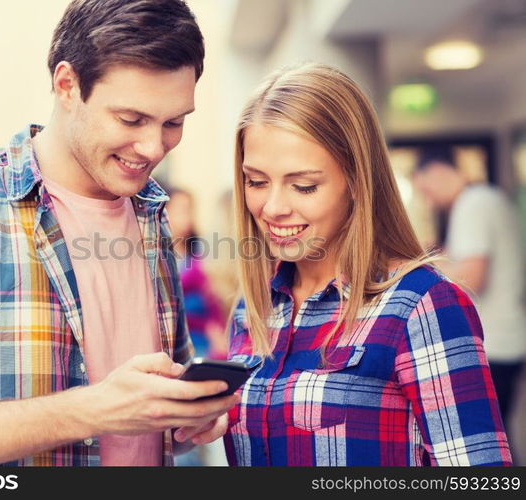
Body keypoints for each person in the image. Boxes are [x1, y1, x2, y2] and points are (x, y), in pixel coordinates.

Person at [0, 0, 238, 467]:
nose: (153, 147)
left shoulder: (152, 212)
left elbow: (148, 422)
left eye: (174, 122)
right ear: (67, 85)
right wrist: (92, 411)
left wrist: (182, 421)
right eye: (131, 119)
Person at [223, 63, 512, 466]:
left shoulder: (421, 306)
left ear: (358, 180)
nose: (272, 208)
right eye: (255, 182)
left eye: (303, 185)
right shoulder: (252, 307)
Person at [413, 146, 526, 439]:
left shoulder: (473, 204)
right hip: (505, 340)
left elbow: (473, 276)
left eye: (425, 189)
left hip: (493, 344)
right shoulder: (483, 199)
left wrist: (417, 273)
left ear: (436, 172)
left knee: (485, 442)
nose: (429, 199)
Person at [166, 187, 228, 359]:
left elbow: (212, 303)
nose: (187, 218)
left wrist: (212, 328)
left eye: (190, 210)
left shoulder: (201, 257)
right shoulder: (154, 258)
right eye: (180, 210)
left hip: (202, 345)